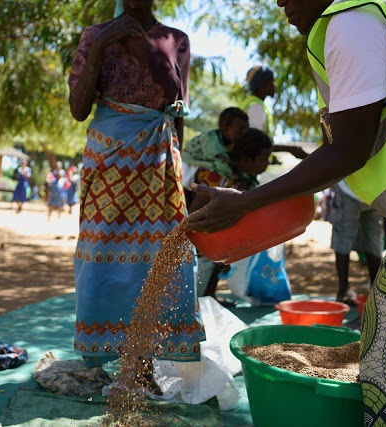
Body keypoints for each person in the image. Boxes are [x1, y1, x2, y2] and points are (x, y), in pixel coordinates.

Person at [188, 0, 386, 425]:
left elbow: (349, 149)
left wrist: (247, 203)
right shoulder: (363, 19)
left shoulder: (349, 26)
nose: (280, 2)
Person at [68, 0, 204, 389]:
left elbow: (179, 112)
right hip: (109, 159)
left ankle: (141, 366)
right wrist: (99, 47)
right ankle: (107, 354)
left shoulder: (176, 40)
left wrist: (179, 175)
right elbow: (78, 109)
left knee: (159, 257)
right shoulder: (96, 35)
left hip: (159, 161)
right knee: (102, 255)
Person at [188, 128, 272, 304]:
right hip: (199, 237)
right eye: (264, 159)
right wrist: (208, 244)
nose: (267, 164)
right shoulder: (217, 175)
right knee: (200, 277)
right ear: (248, 159)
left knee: (218, 265)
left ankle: (210, 297)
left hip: (217, 236)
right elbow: (194, 214)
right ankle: (200, 302)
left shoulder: (243, 178)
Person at [329, 180, 383, 305]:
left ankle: (343, 290)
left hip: (349, 188)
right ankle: (376, 293)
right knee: (374, 239)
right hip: (375, 189)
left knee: (343, 236)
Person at [181, 107, 249, 205]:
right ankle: (191, 215)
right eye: (240, 130)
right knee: (215, 177)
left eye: (246, 130)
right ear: (225, 128)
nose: (244, 134)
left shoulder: (231, 144)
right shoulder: (211, 139)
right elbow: (222, 165)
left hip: (203, 168)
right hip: (189, 168)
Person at [240, 65, 309, 160]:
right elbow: (255, 143)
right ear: (262, 84)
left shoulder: (253, 104)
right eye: (271, 82)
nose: (274, 86)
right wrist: (290, 149)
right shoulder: (256, 107)